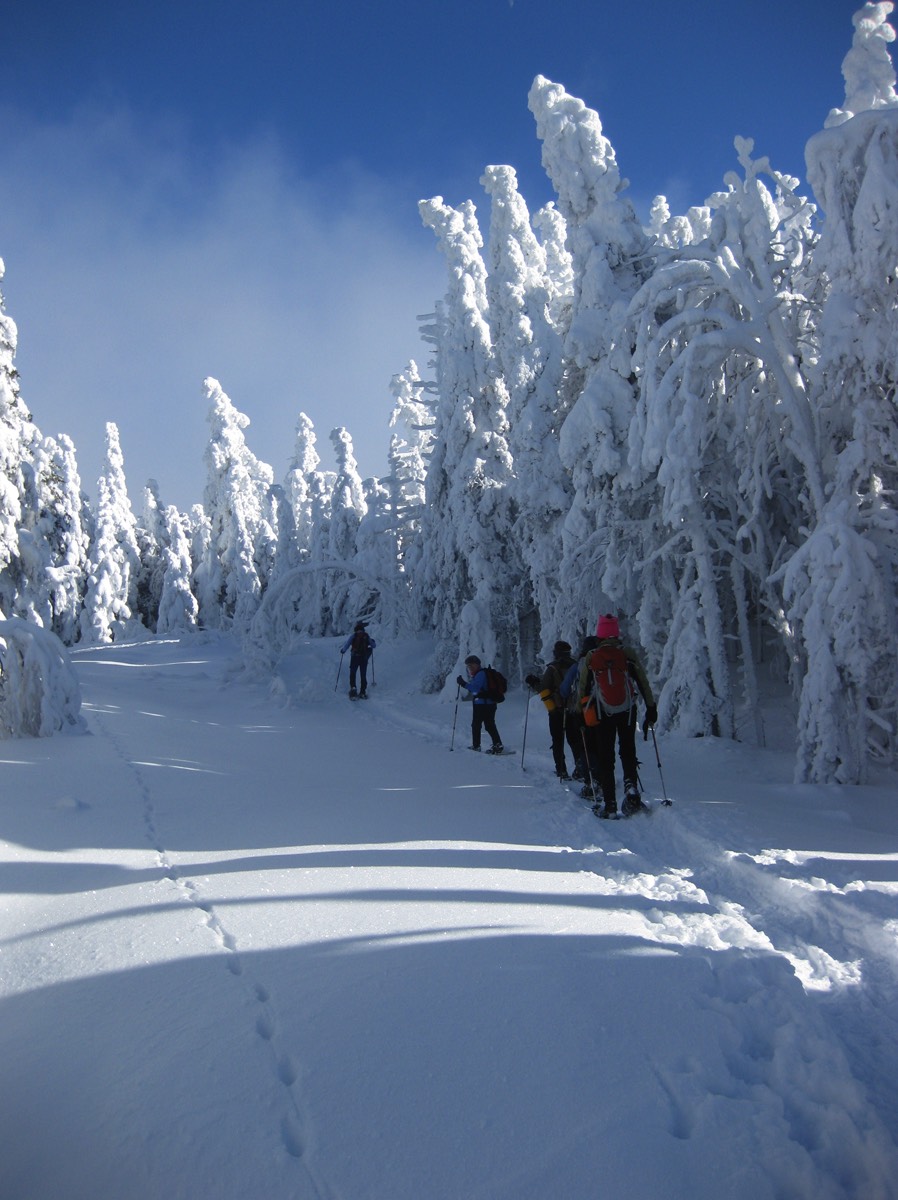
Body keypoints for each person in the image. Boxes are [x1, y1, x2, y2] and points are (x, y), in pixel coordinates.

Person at [586, 614, 657, 817]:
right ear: (616, 633)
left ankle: (609, 805)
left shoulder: (592, 656)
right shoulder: (626, 654)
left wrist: (584, 716)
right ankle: (631, 792)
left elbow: (583, 687)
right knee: (627, 751)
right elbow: (642, 681)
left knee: (605, 757)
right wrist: (651, 708)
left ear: (599, 634)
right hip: (626, 711)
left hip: (602, 712)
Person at [525, 640, 575, 779]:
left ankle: (561, 770)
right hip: (574, 710)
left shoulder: (553, 668)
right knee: (575, 740)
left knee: (558, 741)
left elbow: (544, 688)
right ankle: (580, 769)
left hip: (557, 710)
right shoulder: (576, 666)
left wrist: (534, 682)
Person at [561, 635, 600, 786]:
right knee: (600, 742)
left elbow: (564, 689)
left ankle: (586, 773)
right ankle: (601, 773)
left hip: (582, 709)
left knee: (582, 741)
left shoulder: (578, 665)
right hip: (604, 709)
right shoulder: (603, 661)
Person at [456, 655, 504, 754]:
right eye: (469, 666)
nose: (470, 668)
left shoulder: (480, 674)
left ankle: (476, 746)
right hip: (489, 704)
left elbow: (475, 689)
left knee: (477, 725)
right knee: (489, 725)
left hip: (483, 705)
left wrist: (463, 683)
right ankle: (497, 744)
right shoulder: (481, 674)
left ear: (478, 665)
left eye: (472, 665)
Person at [341, 622, 376, 698]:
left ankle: (353, 689)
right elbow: (373, 646)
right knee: (363, 674)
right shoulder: (366, 636)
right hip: (364, 658)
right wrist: (372, 641)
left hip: (354, 657)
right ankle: (362, 692)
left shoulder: (354, 636)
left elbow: (347, 644)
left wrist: (343, 650)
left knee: (353, 673)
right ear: (363, 629)